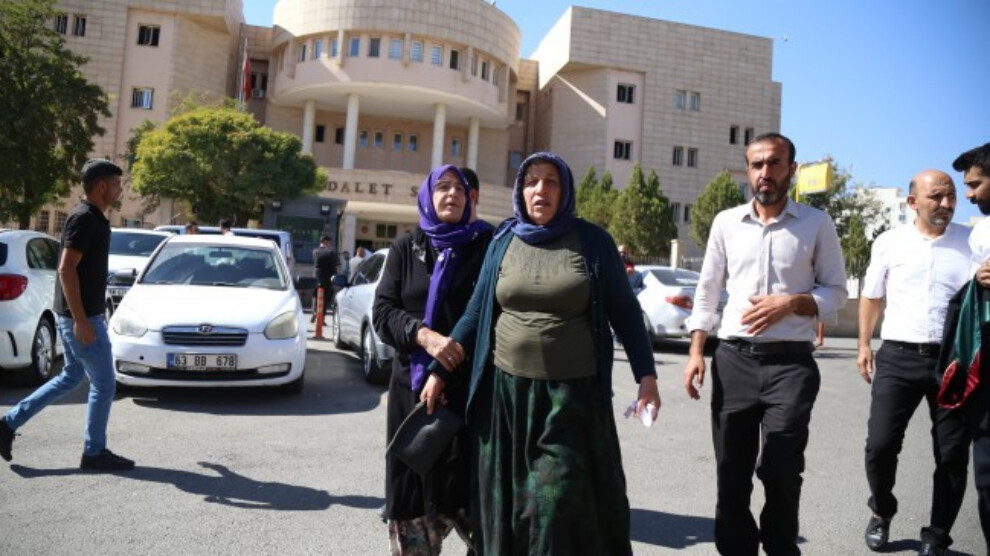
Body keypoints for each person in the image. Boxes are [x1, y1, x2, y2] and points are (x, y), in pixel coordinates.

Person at [427, 152, 661, 554]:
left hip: (570, 401)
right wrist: (439, 371)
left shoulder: (593, 242)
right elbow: (476, 313)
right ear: (521, 190)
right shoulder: (503, 242)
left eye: (551, 181)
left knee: (556, 503)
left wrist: (647, 377)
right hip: (507, 400)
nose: (541, 190)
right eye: (531, 181)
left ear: (564, 190)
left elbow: (625, 312)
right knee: (512, 509)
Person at [682, 132, 847, 555]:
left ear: (791, 169)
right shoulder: (726, 223)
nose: (765, 173)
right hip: (734, 361)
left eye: (774, 163)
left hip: (790, 365)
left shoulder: (816, 224)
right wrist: (697, 351)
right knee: (731, 471)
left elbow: (837, 291)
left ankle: (780, 547)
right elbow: (707, 290)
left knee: (781, 469)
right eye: (757, 165)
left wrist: (794, 303)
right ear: (748, 170)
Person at [372, 165, 494, 553]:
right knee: (413, 513)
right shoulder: (406, 248)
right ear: (427, 195)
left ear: (470, 198)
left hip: (469, 400)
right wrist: (424, 336)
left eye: (459, 188)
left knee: (487, 526)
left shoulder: (487, 248)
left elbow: (490, 318)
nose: (452, 194)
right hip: (413, 401)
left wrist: (445, 367)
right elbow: (383, 312)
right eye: (443, 187)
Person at [857, 170, 971, 555]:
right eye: (936, 196)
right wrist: (863, 344)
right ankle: (881, 509)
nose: (946, 204)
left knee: (952, 454)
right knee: (880, 446)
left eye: (951, 196)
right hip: (898, 357)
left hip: (953, 361)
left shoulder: (972, 242)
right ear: (912, 202)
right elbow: (872, 296)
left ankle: (937, 535)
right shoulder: (889, 243)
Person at [0, 160, 135, 471]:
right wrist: (81, 321)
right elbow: (66, 268)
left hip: (79, 316)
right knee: (105, 384)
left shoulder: (93, 218)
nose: (120, 190)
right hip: (83, 319)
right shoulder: (84, 219)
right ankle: (94, 452)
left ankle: (7, 424)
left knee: (71, 376)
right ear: (102, 187)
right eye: (117, 184)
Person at [953, 142, 990, 552]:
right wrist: (976, 282)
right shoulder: (980, 233)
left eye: (976, 184)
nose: (968, 194)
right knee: (987, 475)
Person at [312, 235, 338, 324]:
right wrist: (335, 279)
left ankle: (314, 312)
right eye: (330, 242)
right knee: (326, 299)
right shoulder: (330, 253)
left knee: (316, 296)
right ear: (325, 242)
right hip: (327, 279)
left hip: (316, 277)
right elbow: (333, 268)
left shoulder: (315, 251)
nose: (331, 244)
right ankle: (321, 318)